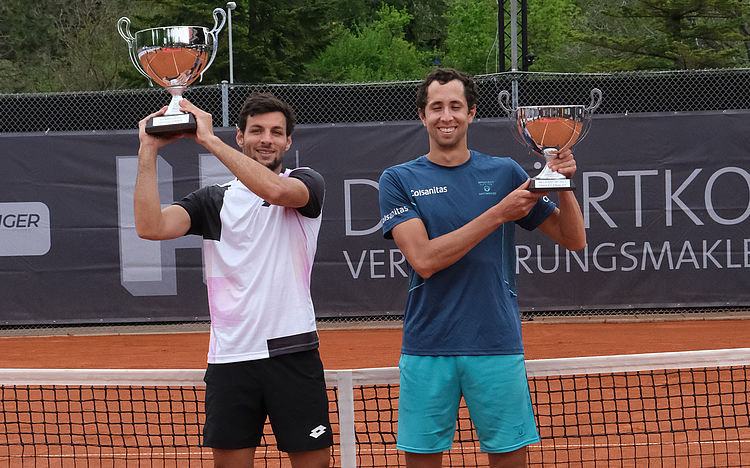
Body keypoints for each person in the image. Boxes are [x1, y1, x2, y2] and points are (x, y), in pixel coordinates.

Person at [378, 68, 586, 467]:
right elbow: (423, 260)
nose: (446, 116)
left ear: (472, 112)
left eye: (456, 106)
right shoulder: (398, 179)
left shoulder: (505, 171)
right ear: (422, 116)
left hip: (496, 342)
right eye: (436, 107)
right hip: (428, 347)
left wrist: (564, 185)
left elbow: (573, 239)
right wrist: (498, 213)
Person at [133, 93, 332, 468]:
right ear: (240, 136)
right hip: (230, 358)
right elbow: (150, 226)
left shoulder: (306, 183)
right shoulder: (213, 200)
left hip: (292, 352)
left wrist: (207, 139)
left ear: (288, 141)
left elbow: (274, 191)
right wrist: (148, 149)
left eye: (276, 132)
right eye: (256, 131)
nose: (266, 139)